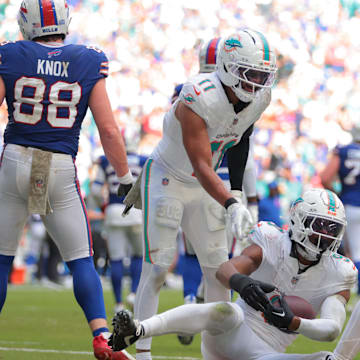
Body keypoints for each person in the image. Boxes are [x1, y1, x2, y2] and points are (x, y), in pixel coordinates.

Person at [122, 30, 277, 359]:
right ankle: (143, 353)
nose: (258, 83)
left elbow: (240, 139)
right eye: (251, 74)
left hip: (204, 185)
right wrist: (232, 202)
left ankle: (219, 351)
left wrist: (235, 188)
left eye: (264, 75)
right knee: (158, 268)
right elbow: (201, 164)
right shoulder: (197, 94)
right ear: (228, 67)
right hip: (169, 178)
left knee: (219, 270)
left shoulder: (260, 98)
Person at [0, 1, 134, 359]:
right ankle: (101, 335)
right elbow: (107, 127)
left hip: (14, 159)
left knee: (0, 259)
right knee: (80, 259)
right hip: (58, 165)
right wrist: (124, 177)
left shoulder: (9, 54)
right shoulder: (87, 59)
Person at [111, 188, 358, 360]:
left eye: (333, 229)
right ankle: (140, 329)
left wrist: (293, 323)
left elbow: (331, 329)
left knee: (327, 359)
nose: (327, 235)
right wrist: (244, 285)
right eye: (320, 226)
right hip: (228, 335)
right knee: (226, 309)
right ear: (299, 221)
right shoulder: (273, 241)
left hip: (265, 355)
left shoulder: (338, 271)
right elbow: (225, 270)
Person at [90, 148, 147, 313]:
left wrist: (103, 205)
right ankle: (134, 293)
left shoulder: (106, 160)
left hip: (114, 211)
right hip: (136, 211)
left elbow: (95, 190)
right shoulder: (143, 159)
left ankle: (119, 304)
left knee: (116, 259)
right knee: (138, 255)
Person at [320, 122, 360, 300]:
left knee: (354, 252)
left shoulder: (344, 151)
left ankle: (353, 294)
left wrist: (338, 194)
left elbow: (325, 177)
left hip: (350, 205)